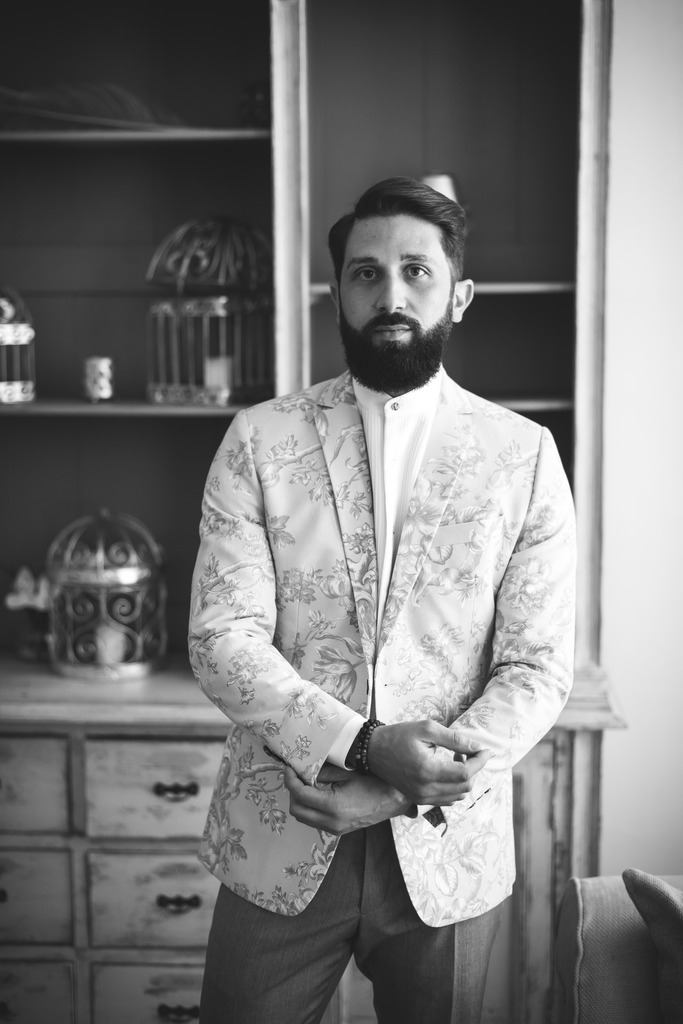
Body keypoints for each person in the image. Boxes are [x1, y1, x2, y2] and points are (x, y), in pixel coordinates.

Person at [189, 176, 576, 1024]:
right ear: (338, 293)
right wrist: (365, 747)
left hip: (446, 852)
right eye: (366, 273)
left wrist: (406, 789)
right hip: (281, 832)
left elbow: (536, 667)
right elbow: (222, 638)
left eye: (415, 271)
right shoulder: (259, 439)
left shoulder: (524, 456)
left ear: (458, 295)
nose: (389, 294)